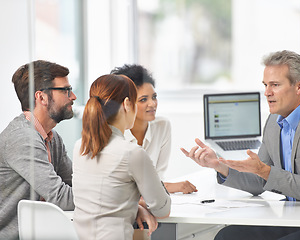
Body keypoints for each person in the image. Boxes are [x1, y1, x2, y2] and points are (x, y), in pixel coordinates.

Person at [181, 50, 300, 239]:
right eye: (265, 85)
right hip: (293, 217)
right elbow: (259, 182)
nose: (267, 92)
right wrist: (219, 165)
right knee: (227, 236)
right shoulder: (273, 121)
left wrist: (266, 171)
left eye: (275, 85)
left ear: (299, 86)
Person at [72, 74, 171, 240]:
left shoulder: (79, 147)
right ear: (127, 104)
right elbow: (162, 210)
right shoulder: (132, 153)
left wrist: (136, 207)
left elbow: (101, 203)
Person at [0, 60, 76, 240]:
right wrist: (116, 200)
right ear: (41, 97)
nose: (72, 96)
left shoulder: (52, 138)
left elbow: (75, 184)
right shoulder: (22, 137)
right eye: (65, 90)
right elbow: (61, 198)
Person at [111, 64, 197, 194]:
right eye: (143, 99)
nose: (152, 104)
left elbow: (158, 178)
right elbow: (119, 188)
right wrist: (170, 187)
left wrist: (162, 187)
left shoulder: (162, 126)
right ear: (126, 104)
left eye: (154, 97)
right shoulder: (113, 135)